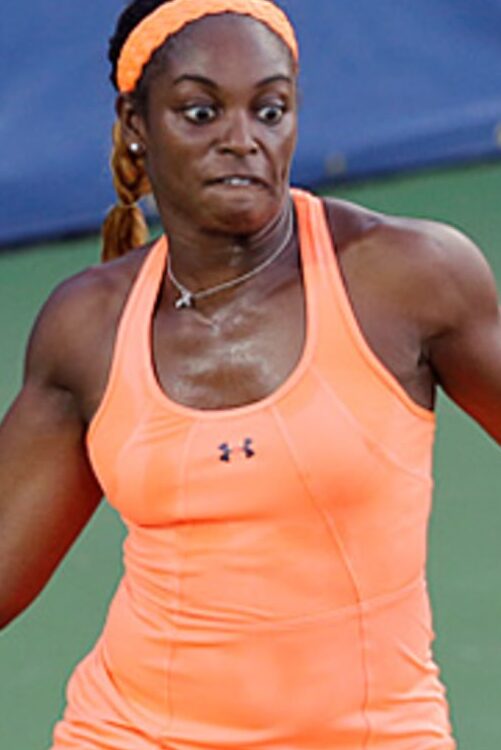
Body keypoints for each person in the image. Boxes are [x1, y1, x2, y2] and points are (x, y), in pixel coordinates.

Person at [0, 0, 500, 747]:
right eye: (200, 112)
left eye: (270, 110)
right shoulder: (88, 326)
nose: (242, 140)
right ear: (136, 124)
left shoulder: (408, 276)